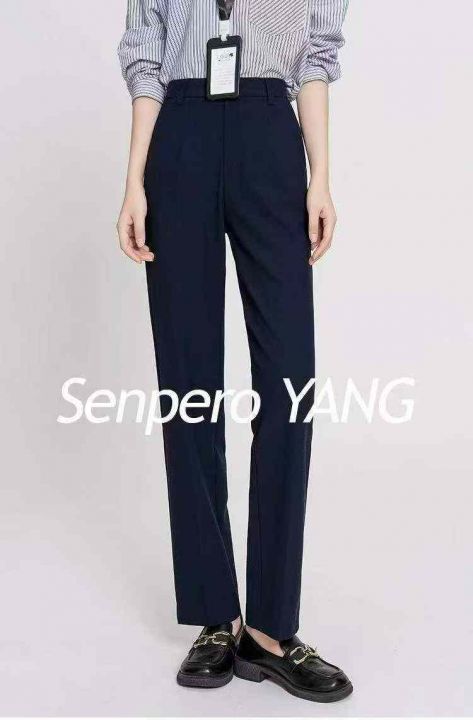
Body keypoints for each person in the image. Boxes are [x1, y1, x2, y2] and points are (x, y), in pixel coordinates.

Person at [117, 0, 352, 703]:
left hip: (268, 132)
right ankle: (215, 615)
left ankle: (271, 630)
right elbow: (146, 55)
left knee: (289, 383)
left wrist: (320, 174)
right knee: (188, 384)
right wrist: (133, 180)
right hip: (180, 135)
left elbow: (315, 54)